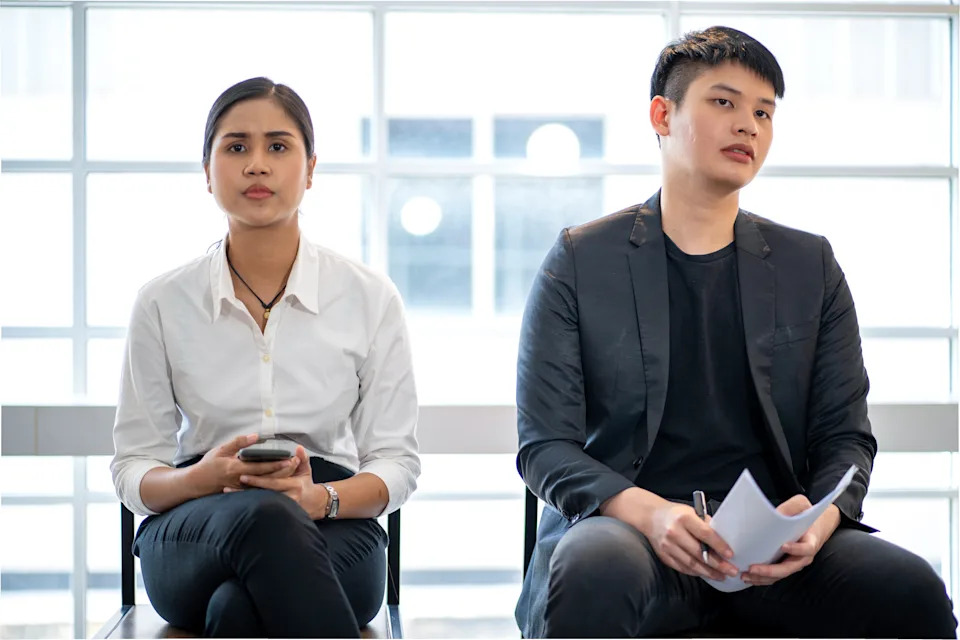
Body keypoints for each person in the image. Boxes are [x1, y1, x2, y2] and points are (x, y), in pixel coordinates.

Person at [515, 26, 957, 638]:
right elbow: (544, 445)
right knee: (593, 569)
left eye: (763, 112)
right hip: (634, 533)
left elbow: (846, 437)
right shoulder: (581, 260)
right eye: (723, 102)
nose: (747, 125)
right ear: (661, 115)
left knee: (912, 589)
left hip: (775, 546)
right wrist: (649, 513)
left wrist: (818, 521)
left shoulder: (811, 265)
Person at [111, 77, 419, 638]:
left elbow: (396, 463)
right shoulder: (162, 302)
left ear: (310, 168)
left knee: (236, 610)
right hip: (196, 521)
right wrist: (201, 478)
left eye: (278, 146)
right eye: (236, 147)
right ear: (207, 172)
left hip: (332, 519)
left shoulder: (369, 297)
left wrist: (317, 498)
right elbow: (134, 467)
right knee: (262, 521)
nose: (257, 165)